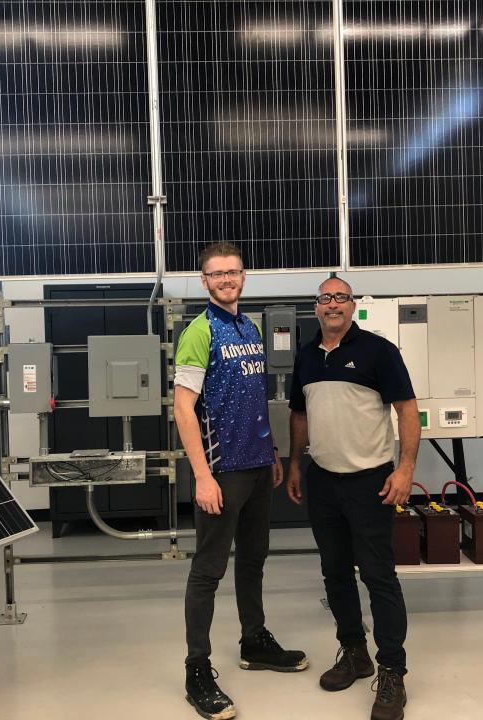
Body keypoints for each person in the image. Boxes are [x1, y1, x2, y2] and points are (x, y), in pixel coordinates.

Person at [173, 242, 308, 720]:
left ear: (244, 276)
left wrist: (270, 451)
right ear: (204, 280)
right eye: (216, 274)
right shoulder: (198, 331)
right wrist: (202, 476)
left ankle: (254, 642)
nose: (225, 279)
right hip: (221, 471)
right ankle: (197, 670)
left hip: (256, 467)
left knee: (253, 560)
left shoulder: (250, 327)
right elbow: (183, 409)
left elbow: (253, 399)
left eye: (232, 272)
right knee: (208, 571)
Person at [286, 277, 420, 720]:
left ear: (353, 305)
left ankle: (392, 671)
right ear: (316, 307)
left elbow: (406, 410)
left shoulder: (379, 351)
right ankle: (354, 652)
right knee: (335, 574)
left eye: (340, 298)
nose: (333, 305)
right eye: (325, 298)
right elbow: (300, 415)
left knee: (379, 577)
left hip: (371, 483)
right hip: (323, 481)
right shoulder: (305, 357)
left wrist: (404, 470)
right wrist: (293, 465)